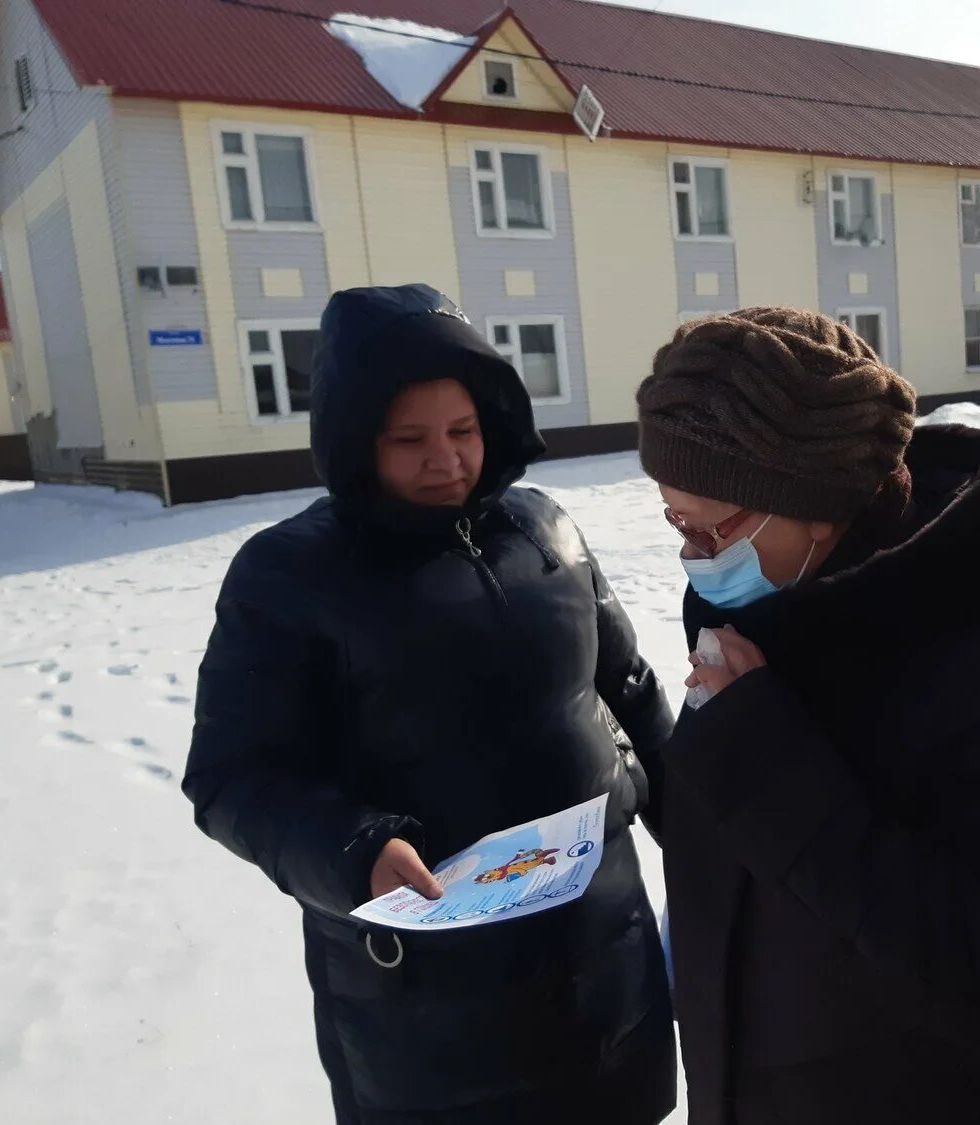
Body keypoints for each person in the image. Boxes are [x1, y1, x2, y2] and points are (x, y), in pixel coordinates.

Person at [183, 284, 676, 1125]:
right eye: (407, 439)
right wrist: (354, 852)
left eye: (463, 432)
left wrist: (702, 814)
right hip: (427, 1002)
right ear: (351, 439)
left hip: (603, 965)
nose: (444, 459)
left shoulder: (545, 531)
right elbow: (232, 776)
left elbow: (625, 687)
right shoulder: (291, 577)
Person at [636, 308, 980, 1125]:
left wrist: (766, 766)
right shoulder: (755, 635)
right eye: (674, 521)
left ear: (819, 506)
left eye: (713, 526)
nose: (692, 554)